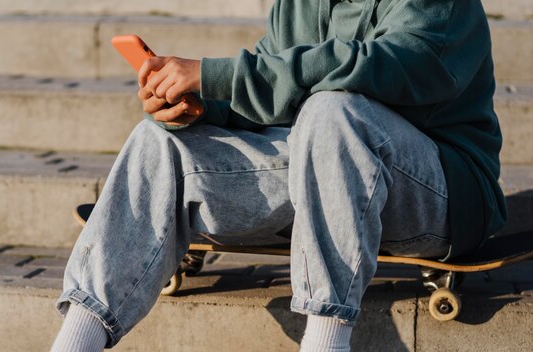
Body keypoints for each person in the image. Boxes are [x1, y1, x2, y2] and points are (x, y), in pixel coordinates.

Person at [51, 0, 506, 351]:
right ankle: (78, 338)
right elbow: (275, 93)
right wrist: (202, 106)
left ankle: (326, 338)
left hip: (443, 189)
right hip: (326, 167)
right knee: (160, 142)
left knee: (334, 111)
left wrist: (217, 76)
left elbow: (375, 69)